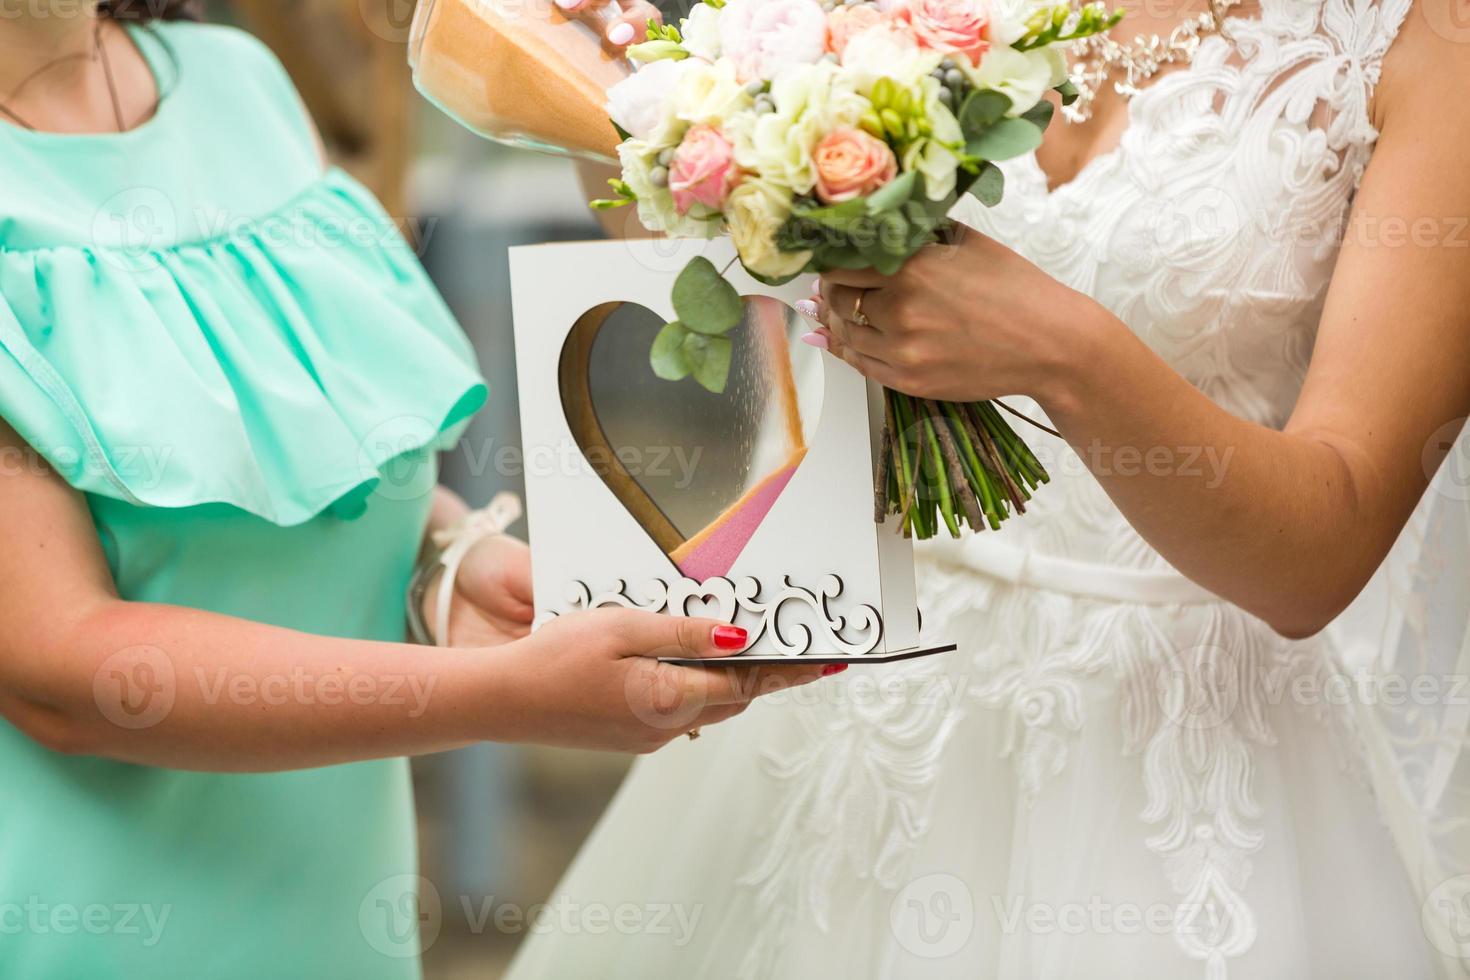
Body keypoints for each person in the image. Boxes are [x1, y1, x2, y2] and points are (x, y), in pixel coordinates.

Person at [505, 0, 1470, 976]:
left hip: (1177, 754)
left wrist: (1069, 354)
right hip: (853, 694)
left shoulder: (1426, 43)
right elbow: (739, 313)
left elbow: (1323, 550)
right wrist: (634, 109)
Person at [0, 3, 837, 977]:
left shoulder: (237, 82)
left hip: (339, 924)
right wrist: (504, 694)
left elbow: (311, 470)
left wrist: (448, 559)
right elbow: (64, 669)